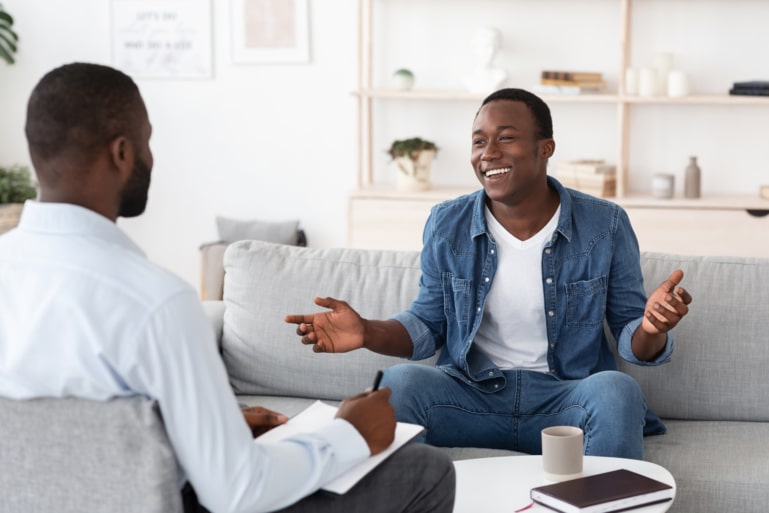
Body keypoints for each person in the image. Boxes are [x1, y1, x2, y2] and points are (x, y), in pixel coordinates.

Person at [0, 62, 455, 513]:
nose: (151, 158)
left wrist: (214, 428)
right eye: (147, 142)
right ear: (121, 152)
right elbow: (237, 491)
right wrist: (349, 434)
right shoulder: (155, 303)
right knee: (424, 471)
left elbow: (70, 444)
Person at [286, 87, 692, 460]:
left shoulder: (605, 224)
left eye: (506, 137)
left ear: (545, 148)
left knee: (617, 390)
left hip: (563, 403)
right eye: (479, 141)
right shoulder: (447, 223)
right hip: (471, 398)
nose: (488, 152)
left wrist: (652, 327)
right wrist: (367, 332)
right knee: (400, 383)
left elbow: (632, 340)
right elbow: (428, 324)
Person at [463, 26, 508, 94]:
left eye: (495, 46)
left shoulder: (501, 75)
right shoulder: (467, 77)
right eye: (486, 46)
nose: (491, 51)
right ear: (475, 47)